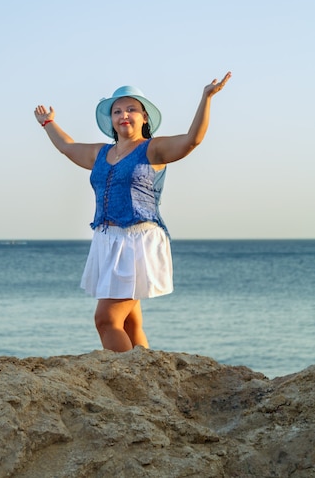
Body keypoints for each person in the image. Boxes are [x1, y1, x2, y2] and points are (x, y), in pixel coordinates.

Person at [34, 72, 231, 353]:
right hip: (108, 240)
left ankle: (127, 378)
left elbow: (191, 140)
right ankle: (149, 377)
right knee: (129, 323)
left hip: (137, 241)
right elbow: (67, 147)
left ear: (144, 117)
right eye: (117, 111)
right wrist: (48, 123)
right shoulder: (101, 153)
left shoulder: (152, 149)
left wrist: (206, 98)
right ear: (111, 120)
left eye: (131, 109)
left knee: (105, 319)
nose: (123, 115)